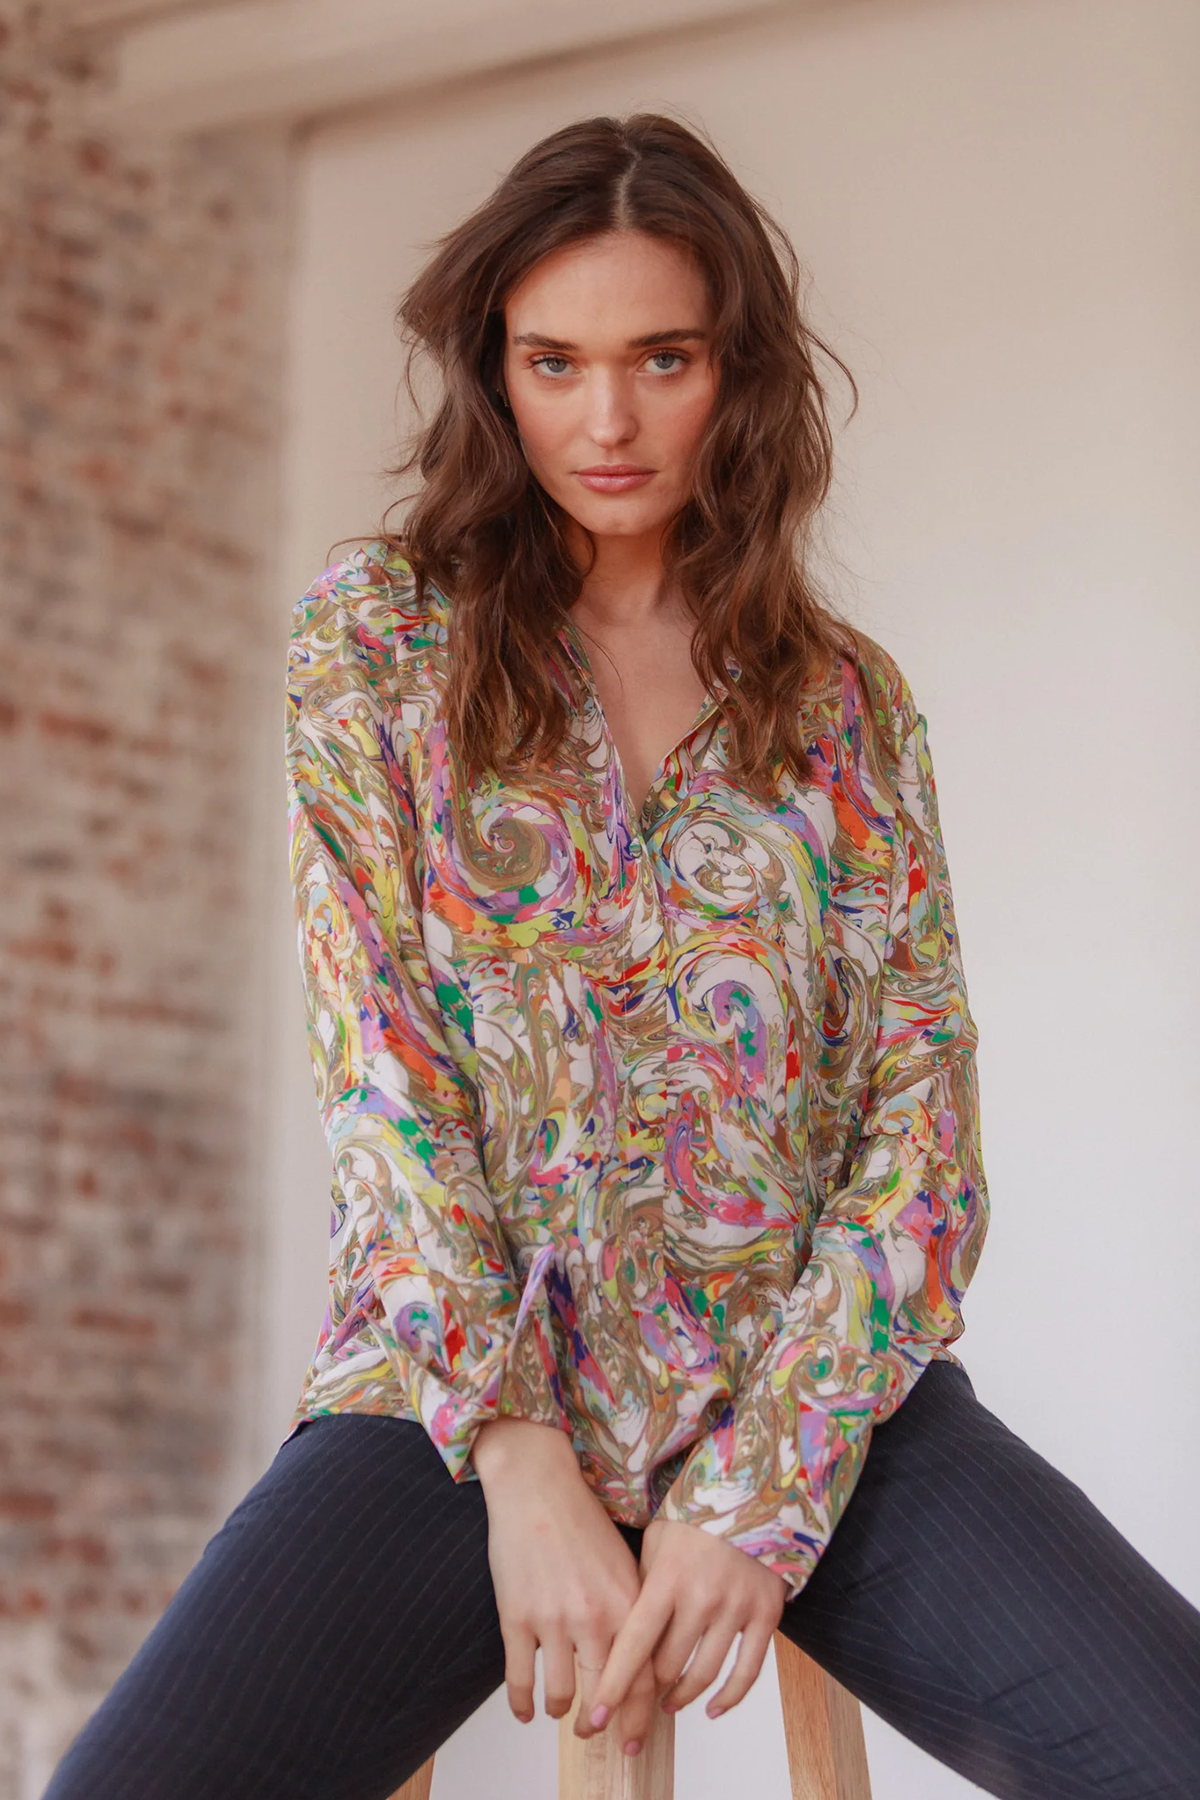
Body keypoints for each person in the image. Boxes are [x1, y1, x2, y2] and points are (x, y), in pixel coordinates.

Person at [45, 113, 1199, 1800]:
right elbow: (388, 1084)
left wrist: (767, 1486)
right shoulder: (375, 640)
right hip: (456, 1408)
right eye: (554, 360)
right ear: (491, 371)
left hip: (812, 1405)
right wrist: (519, 1466)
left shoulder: (843, 707)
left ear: (738, 371)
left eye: (662, 358)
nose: (606, 418)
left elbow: (921, 1134)